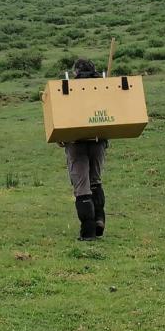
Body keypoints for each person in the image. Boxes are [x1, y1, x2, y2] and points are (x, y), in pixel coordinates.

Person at [62, 59, 108, 241]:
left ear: (76, 72)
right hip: (99, 140)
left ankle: (88, 231)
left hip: (76, 142)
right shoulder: (103, 87)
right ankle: (99, 219)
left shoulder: (71, 90)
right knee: (95, 180)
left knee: (81, 186)